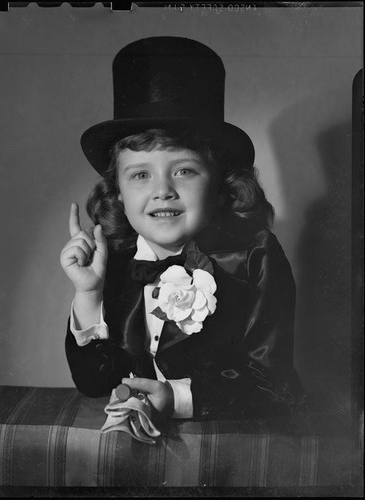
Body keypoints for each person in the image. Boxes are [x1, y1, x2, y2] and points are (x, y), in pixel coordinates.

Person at [60, 37, 304, 421]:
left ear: (221, 184)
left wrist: (177, 399)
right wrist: (88, 294)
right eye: (140, 174)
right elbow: (93, 383)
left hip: (225, 452)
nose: (162, 191)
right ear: (118, 194)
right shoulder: (116, 259)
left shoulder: (255, 255)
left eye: (185, 171)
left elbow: (277, 386)